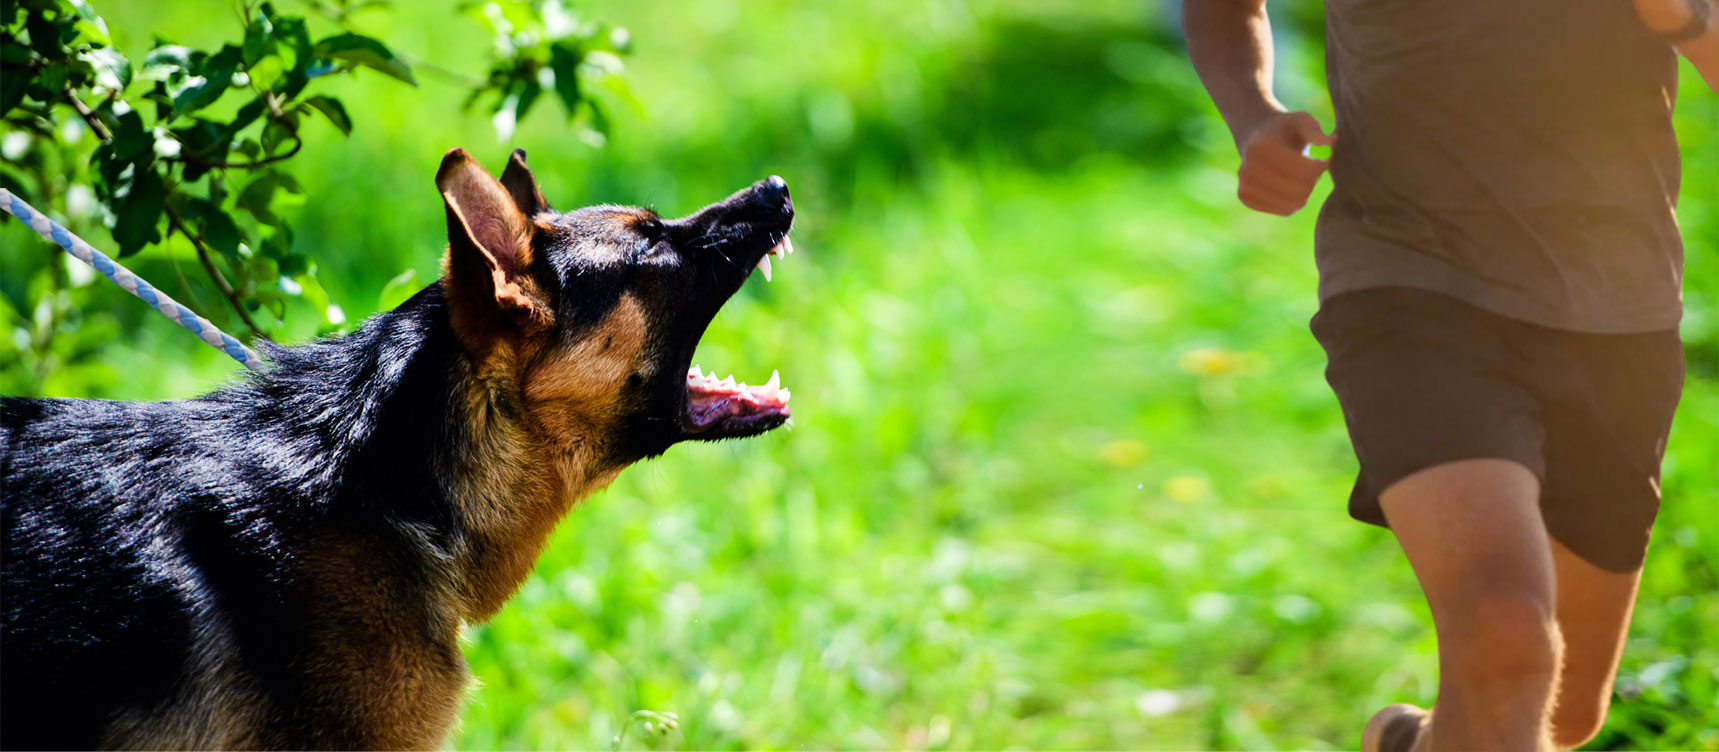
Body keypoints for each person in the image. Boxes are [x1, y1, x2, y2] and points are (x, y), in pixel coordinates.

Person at [1182, 0, 1715, 749]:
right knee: (1506, 632)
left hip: (1613, 306)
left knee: (1558, 715)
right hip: (1407, 278)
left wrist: (1680, 17)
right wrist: (1252, 114)